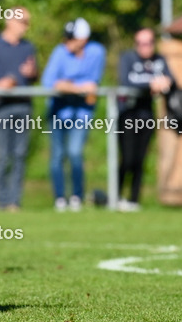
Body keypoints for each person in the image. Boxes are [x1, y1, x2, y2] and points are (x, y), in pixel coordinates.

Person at [42, 18, 106, 211]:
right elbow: (50, 82)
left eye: (72, 38)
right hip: (58, 111)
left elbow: (92, 84)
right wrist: (77, 88)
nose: (67, 42)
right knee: (57, 155)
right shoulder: (59, 52)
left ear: (84, 39)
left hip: (82, 113)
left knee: (75, 152)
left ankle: (77, 196)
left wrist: (67, 85)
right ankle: (60, 198)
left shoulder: (96, 52)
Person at [0, 8, 37, 211]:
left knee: (20, 155)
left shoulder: (28, 47)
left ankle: (15, 201)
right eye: (23, 21)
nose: (25, 26)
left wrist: (32, 72)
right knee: (4, 155)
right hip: (2, 106)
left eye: (27, 22)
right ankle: (1, 201)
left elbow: (34, 75)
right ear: (10, 21)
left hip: (24, 105)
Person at [117, 28, 174, 211]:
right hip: (127, 114)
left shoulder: (159, 60)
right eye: (141, 43)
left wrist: (165, 83)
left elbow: (171, 79)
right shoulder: (127, 58)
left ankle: (134, 199)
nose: (145, 47)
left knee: (140, 160)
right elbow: (125, 82)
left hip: (146, 115)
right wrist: (150, 84)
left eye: (149, 42)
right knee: (127, 159)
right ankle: (117, 196)